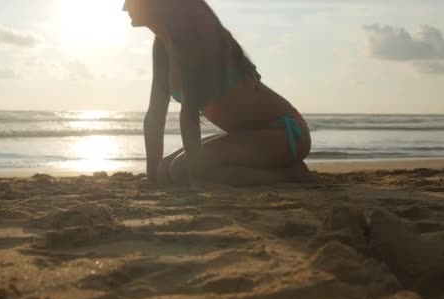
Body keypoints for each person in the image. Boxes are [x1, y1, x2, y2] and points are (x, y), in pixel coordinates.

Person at [123, 0, 313, 186]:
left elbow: (189, 114)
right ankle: (279, 169)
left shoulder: (193, 41)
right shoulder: (163, 45)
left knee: (179, 170)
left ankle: (290, 174)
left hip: (284, 134)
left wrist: (195, 178)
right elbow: (155, 114)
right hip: (248, 137)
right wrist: (152, 177)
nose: (124, 7)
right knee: (163, 170)